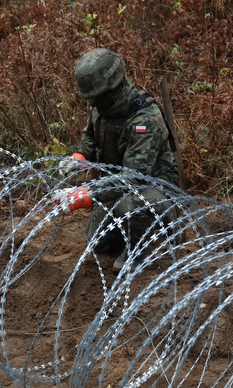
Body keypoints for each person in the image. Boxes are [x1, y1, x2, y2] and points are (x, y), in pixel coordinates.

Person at [56, 48, 180, 273]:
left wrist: (87, 195)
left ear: (113, 88)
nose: (92, 102)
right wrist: (79, 157)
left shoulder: (144, 118)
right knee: (97, 242)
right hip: (118, 188)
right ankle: (131, 232)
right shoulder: (103, 110)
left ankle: (142, 246)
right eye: (90, 97)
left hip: (153, 189)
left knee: (131, 206)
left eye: (96, 96)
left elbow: (134, 178)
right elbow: (89, 140)